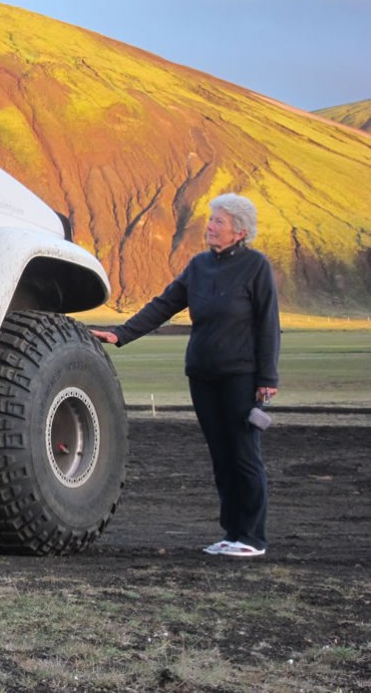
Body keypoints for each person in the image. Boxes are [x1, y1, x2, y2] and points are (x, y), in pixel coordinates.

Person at [92, 193, 280, 557]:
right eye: (211, 220)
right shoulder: (198, 266)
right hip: (202, 374)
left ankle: (252, 538)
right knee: (221, 455)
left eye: (218, 222)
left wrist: (267, 378)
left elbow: (268, 323)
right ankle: (232, 533)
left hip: (241, 375)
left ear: (239, 232)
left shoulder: (256, 267)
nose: (210, 226)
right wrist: (121, 334)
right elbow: (164, 305)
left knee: (244, 454)